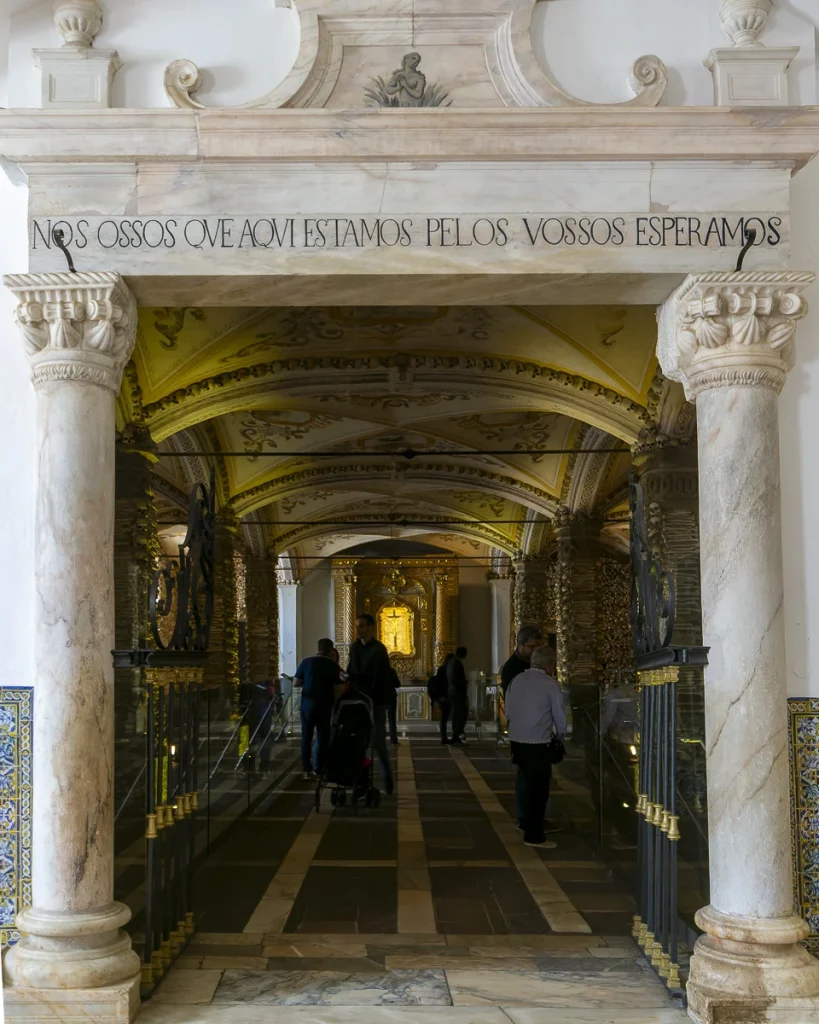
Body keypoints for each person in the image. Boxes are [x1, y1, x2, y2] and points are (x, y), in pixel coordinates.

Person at [505, 644, 567, 848]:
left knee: (524, 784)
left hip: (517, 741)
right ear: (549, 665)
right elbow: (560, 717)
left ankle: (524, 822)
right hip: (538, 743)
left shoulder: (517, 680)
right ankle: (534, 835)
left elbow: (509, 712)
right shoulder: (549, 684)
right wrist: (561, 736)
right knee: (539, 790)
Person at [346, 613, 395, 794]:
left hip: (376, 700)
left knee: (377, 742)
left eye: (363, 626)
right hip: (359, 700)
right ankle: (361, 780)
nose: (359, 629)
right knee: (358, 742)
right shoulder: (354, 647)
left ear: (371, 628)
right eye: (357, 626)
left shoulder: (379, 649)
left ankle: (387, 775)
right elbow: (352, 669)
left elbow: (379, 676)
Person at [294, 637, 341, 780]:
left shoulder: (307, 662)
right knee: (323, 737)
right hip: (325, 705)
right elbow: (338, 685)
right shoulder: (332, 665)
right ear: (330, 649)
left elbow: (296, 683)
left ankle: (305, 769)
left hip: (308, 705)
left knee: (306, 737)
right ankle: (320, 768)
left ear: (318, 648)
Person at [428, 653, 454, 745]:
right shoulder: (444, 669)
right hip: (446, 696)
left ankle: (446, 737)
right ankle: (445, 737)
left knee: (445, 719)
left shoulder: (443, 669)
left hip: (447, 696)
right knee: (445, 718)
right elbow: (440, 684)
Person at [446, 646, 469, 745]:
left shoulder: (452, 662)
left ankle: (456, 735)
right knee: (460, 715)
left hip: (453, 693)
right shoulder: (457, 663)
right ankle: (456, 735)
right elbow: (458, 680)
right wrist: (465, 683)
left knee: (457, 715)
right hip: (458, 693)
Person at [387, 663, 400, 746]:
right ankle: (393, 741)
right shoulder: (391, 671)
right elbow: (397, 684)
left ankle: (378, 741)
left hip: (379, 698)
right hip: (390, 697)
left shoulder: (376, 670)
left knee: (378, 721)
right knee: (392, 720)